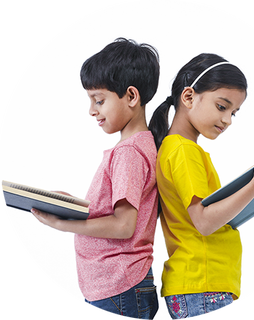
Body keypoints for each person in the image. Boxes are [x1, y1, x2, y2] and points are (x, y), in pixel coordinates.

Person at [148, 53, 254, 319]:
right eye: (222, 107)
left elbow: (215, 215)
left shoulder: (179, 148)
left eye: (234, 112)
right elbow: (205, 222)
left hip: (201, 286)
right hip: (202, 285)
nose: (228, 120)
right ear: (188, 97)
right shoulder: (183, 151)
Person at [32, 38, 160, 320]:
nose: (92, 111)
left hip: (120, 288)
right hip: (110, 290)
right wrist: (74, 205)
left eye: (99, 100)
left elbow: (124, 225)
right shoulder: (134, 147)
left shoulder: (129, 152)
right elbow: (115, 211)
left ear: (131, 96)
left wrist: (64, 224)